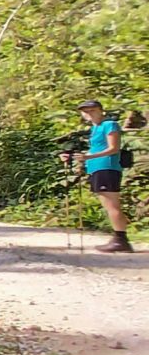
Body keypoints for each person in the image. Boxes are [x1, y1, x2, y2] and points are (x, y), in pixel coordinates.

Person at [62, 100, 132, 253]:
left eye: (92, 110)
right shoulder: (95, 128)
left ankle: (121, 240)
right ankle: (119, 238)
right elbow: (95, 149)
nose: (89, 113)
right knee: (109, 205)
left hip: (106, 167)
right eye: (85, 111)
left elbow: (113, 148)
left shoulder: (109, 125)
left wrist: (88, 157)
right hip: (97, 168)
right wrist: (73, 157)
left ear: (101, 110)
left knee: (112, 205)